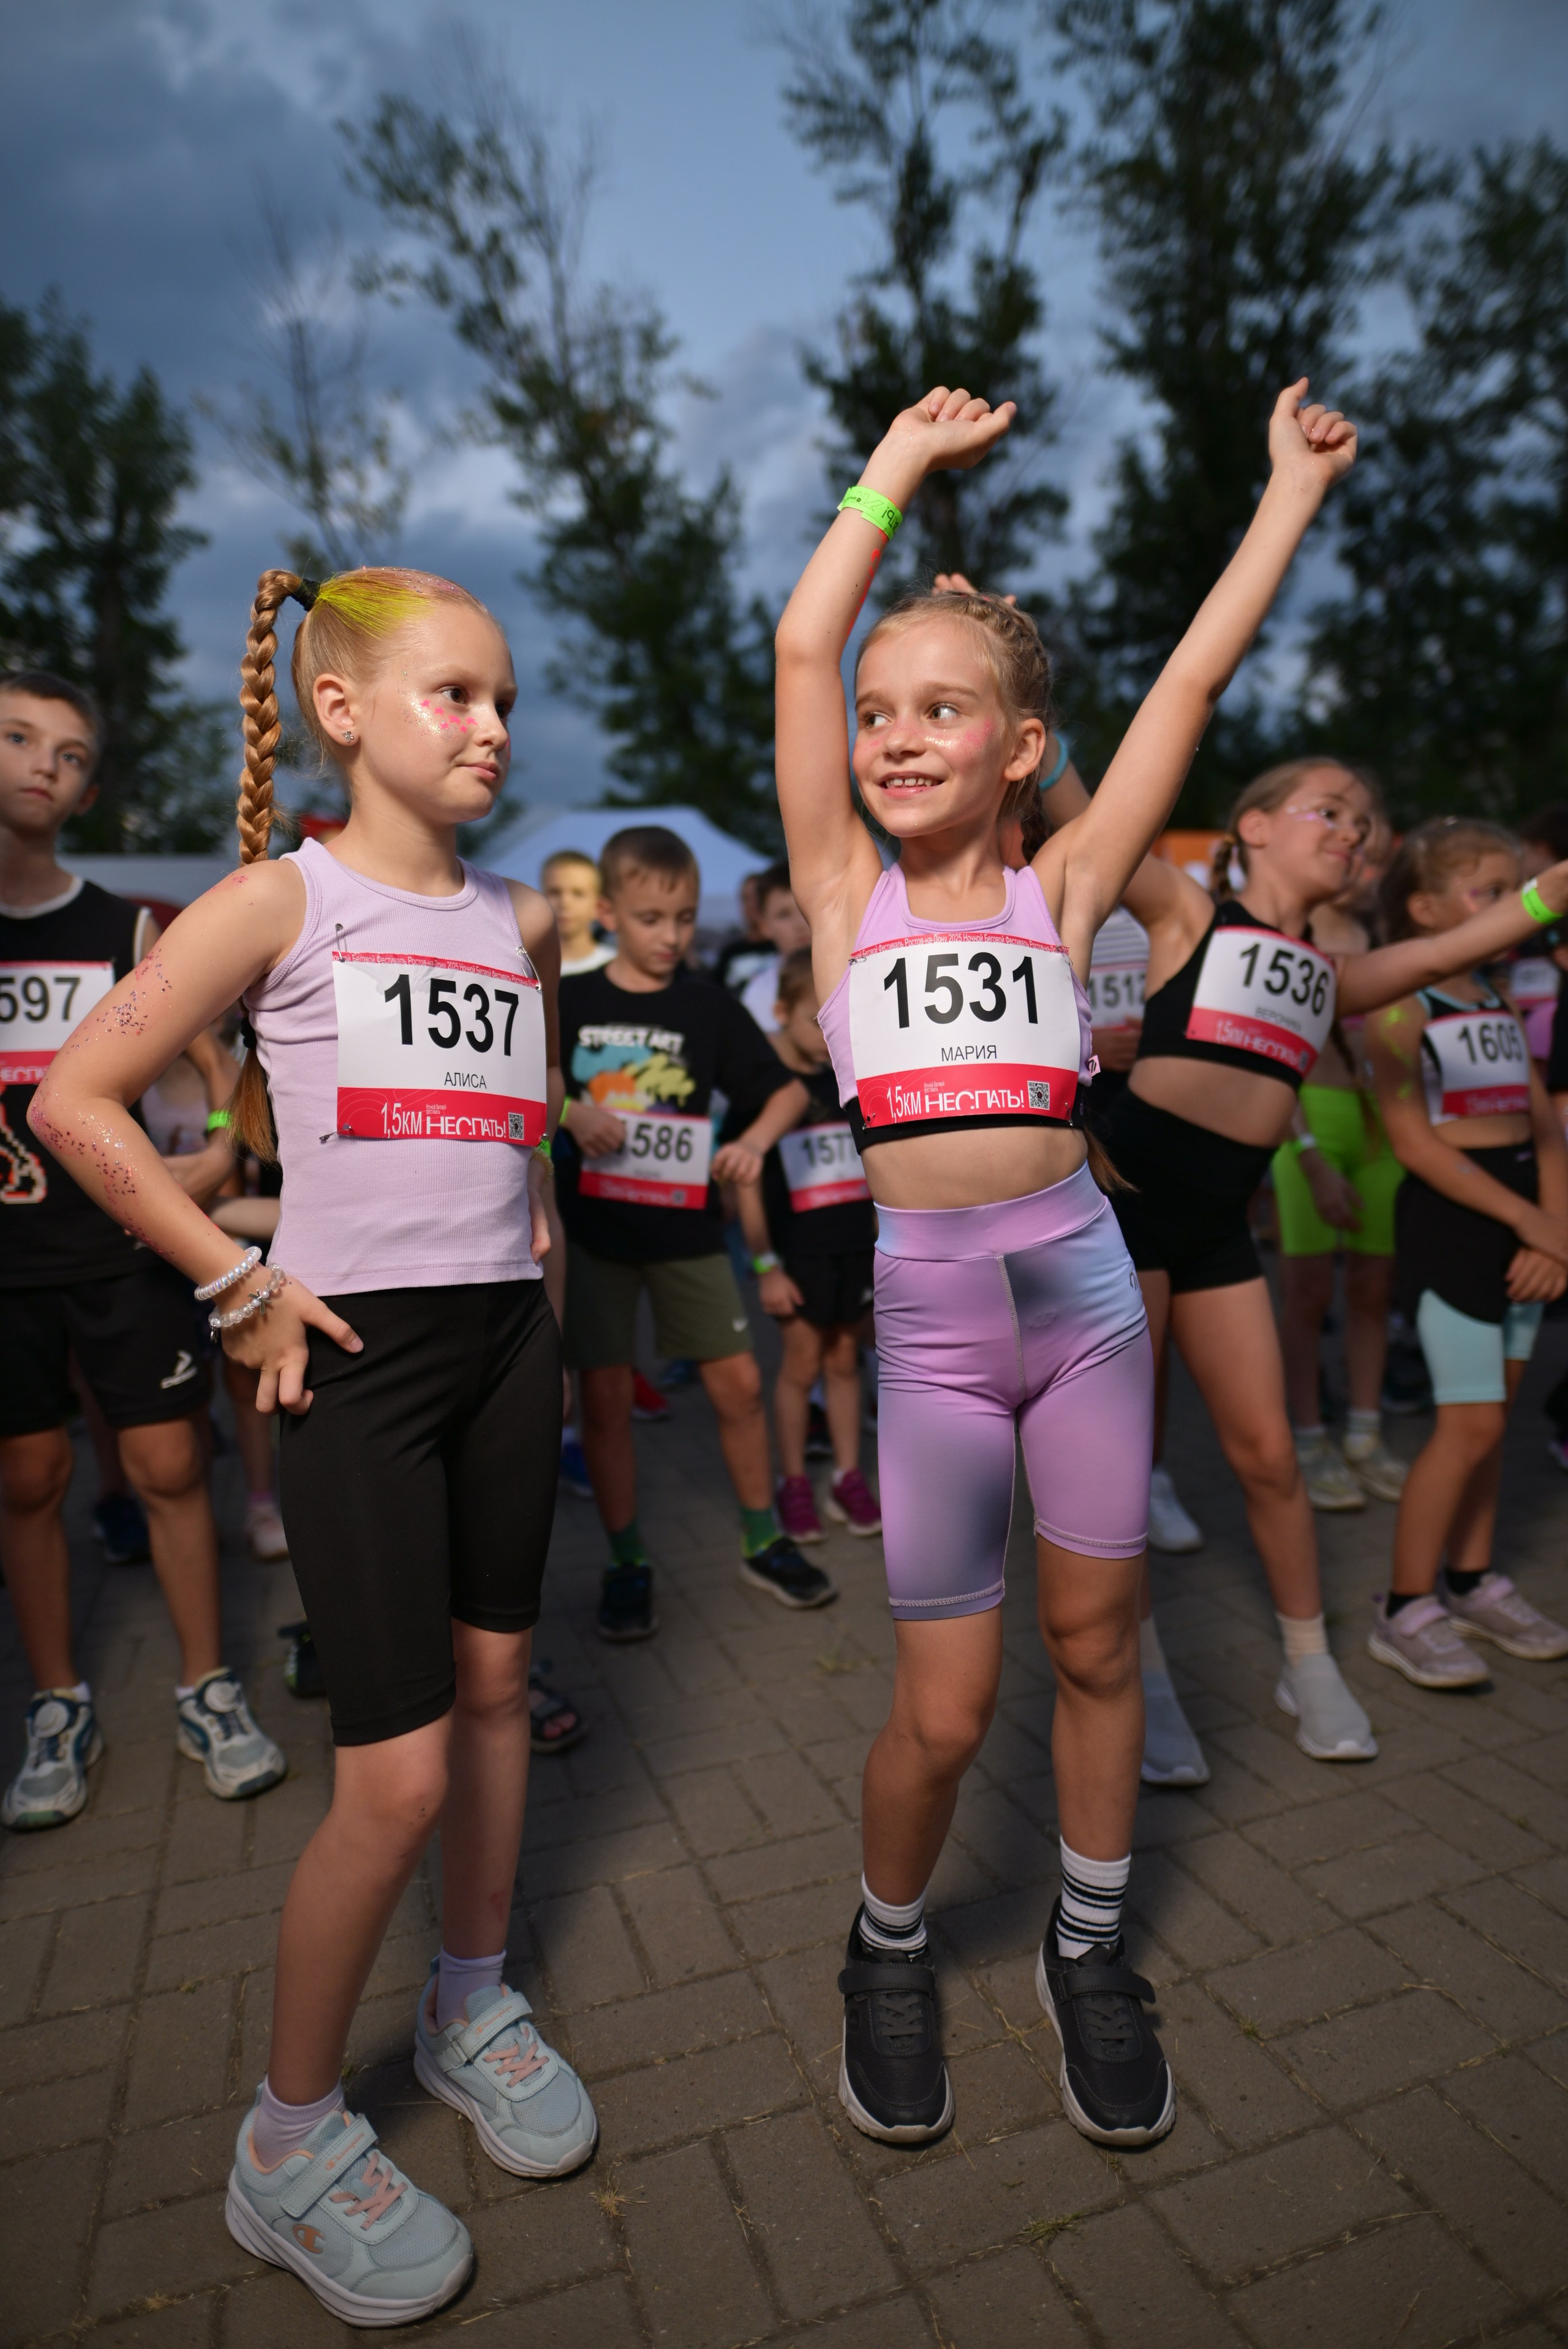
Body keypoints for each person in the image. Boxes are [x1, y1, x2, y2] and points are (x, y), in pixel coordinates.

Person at [776, 377, 1358, 2150]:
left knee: (1102, 1645)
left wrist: (1288, 494)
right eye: (883, 712)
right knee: (946, 1712)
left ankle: (1090, 1949)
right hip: (939, 1329)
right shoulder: (835, 890)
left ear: (1024, 749)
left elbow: (1192, 676)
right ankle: (887, 1946)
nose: (893, 733)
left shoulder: (1072, 883)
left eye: (941, 708)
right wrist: (896, 470)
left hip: (1090, 1302)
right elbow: (807, 645)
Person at [33, 567, 597, 2324]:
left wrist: (548, 1313)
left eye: (506, 697)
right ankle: (285, 2145)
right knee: (399, 1774)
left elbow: (526, 1154)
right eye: (455, 695)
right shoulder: (285, 895)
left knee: (504, 1699)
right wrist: (232, 1283)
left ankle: (471, 1997)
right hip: (350, 1365)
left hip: (508, 1350)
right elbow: (73, 1102)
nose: (494, 726)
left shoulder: (519, 921)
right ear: (343, 711)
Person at [1109, 759, 1568, 1772]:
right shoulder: (1186, 912)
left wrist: (1546, 889)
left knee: (1270, 1457)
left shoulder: (1336, 976)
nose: (1355, 832)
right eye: (1333, 810)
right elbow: (1086, 809)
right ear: (1256, 825)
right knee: (1119, 1476)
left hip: (1222, 1229)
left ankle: (1309, 1658)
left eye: (1366, 824)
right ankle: (1142, 1677)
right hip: (1126, 1215)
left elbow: (1462, 942)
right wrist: (1014, 689)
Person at [0, 668, 285, 1833]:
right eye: (18, 737)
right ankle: (58, 1701)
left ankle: (207, 1684)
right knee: (29, 1479)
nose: (42, 765)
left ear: (90, 788)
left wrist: (214, 1165)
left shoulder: (125, 927)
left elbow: (229, 1077)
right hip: (9, 1274)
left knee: (171, 1468)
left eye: (69, 754)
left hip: (122, 1257)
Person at [552, 825, 837, 1633]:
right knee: (604, 1403)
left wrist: (750, 1142)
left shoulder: (707, 1001)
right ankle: (627, 1559)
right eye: (650, 918)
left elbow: (781, 1091)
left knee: (742, 1387)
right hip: (596, 1233)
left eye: (682, 918)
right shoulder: (573, 1001)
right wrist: (573, 1109)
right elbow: (522, 1088)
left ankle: (762, 1537)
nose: (671, 936)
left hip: (688, 1236)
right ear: (608, 912)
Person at [1364, 819, 1568, 1684]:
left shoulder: (1496, 996)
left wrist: (1556, 1227)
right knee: (1469, 1422)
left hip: (1530, 1227)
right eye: (1490, 892)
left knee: (1497, 1423)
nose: (1510, 906)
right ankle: (1405, 1604)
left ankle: (1472, 1578)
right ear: (1425, 906)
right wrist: (1531, 1224)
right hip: (1456, 1225)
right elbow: (1415, 1144)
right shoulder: (1402, 1007)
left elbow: (1543, 1120)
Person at [1271, 810, 1409, 1512]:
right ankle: (1306, 1436)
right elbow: (1272, 1064)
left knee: (1372, 1289)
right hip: (1311, 1127)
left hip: (1383, 1128)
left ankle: (1363, 1431)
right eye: (1361, 857)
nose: (1366, 869)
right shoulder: (1296, 940)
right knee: (1307, 1295)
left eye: (1380, 860)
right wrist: (1308, 1155)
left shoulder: (1387, 940)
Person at [734, 947, 881, 1543]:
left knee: (845, 1361)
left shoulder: (852, 1078)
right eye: (812, 1022)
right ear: (779, 1010)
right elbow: (743, 1181)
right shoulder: (768, 1089)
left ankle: (847, 1478)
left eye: (835, 1020)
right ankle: (792, 1482)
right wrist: (765, 1265)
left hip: (854, 1248)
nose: (826, 1036)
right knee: (800, 1367)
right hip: (796, 1257)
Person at [738, 860, 813, 1034]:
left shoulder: (854, 975)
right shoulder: (759, 994)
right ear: (764, 927)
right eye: (784, 915)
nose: (799, 924)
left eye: (805, 909)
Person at [540, 845, 614, 978]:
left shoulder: (619, 969)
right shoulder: (527, 974)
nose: (565, 903)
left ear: (598, 907)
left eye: (578, 894)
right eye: (555, 892)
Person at [712, 869, 774, 994]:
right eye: (746, 899)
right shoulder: (730, 953)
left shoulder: (782, 947)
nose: (752, 905)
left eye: (757, 897)